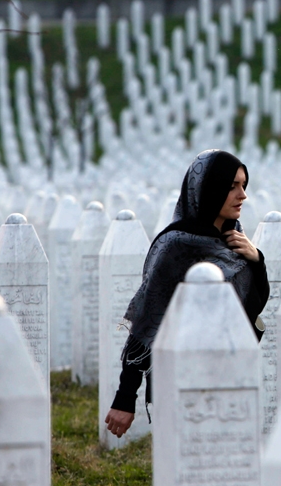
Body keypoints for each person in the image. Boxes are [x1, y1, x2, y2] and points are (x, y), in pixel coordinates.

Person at [104, 149, 270, 438]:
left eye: (244, 185)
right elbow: (146, 324)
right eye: (232, 187)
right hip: (185, 376)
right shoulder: (176, 247)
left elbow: (254, 306)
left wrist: (257, 260)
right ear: (208, 190)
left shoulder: (234, 239)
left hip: (231, 370)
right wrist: (124, 398)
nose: (242, 195)